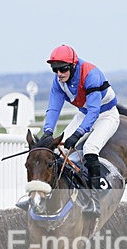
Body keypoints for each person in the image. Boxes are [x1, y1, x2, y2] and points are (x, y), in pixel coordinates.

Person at [35, 44, 119, 217]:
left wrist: (78, 134)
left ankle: (94, 201)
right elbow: (53, 108)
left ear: (73, 66)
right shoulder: (58, 81)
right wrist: (48, 131)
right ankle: (43, 196)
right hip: (84, 114)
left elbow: (94, 111)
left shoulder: (90, 74)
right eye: (55, 69)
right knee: (57, 151)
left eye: (63, 69)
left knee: (90, 148)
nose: (59, 73)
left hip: (106, 115)